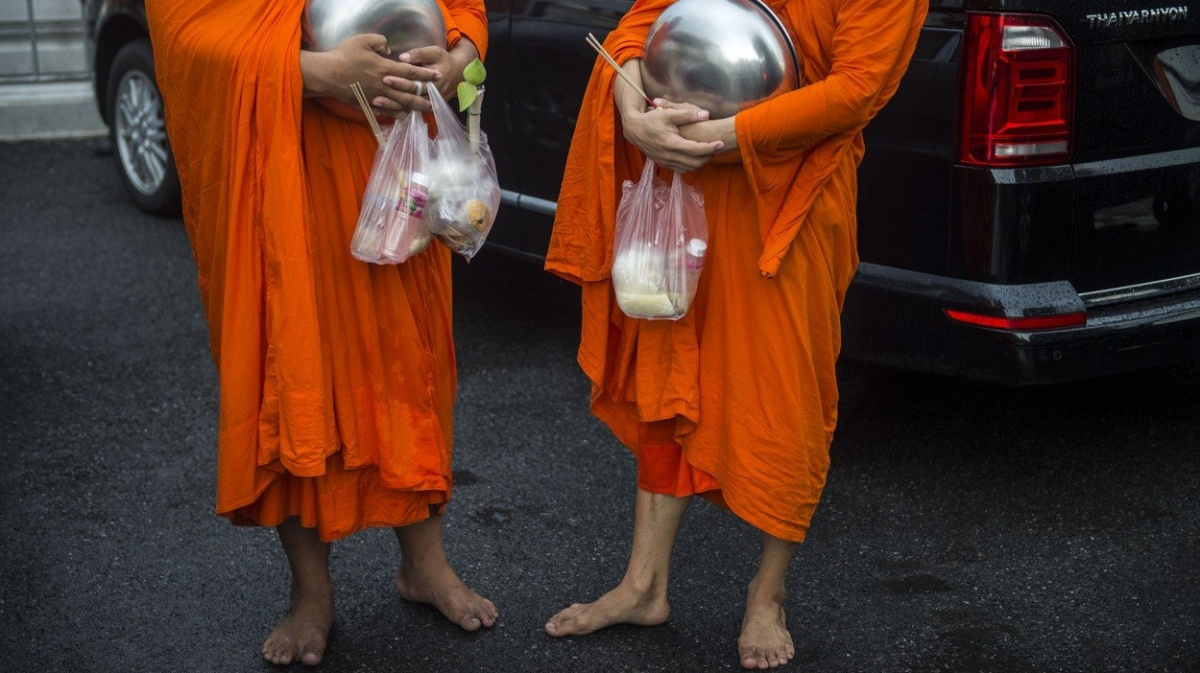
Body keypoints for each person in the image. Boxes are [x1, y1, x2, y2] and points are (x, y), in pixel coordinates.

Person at [543, 0, 928, 667]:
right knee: (669, 369)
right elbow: (643, 21)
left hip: (791, 195)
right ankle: (643, 584)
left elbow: (856, 89)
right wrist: (633, 107)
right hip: (690, 181)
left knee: (785, 392)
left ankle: (767, 595)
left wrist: (716, 137)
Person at [145, 0, 496, 666]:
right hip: (283, 170)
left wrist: (459, 55)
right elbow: (189, 35)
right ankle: (310, 590)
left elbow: (463, 6)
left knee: (407, 359)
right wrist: (314, 72)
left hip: (391, 162)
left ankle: (425, 565)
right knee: (296, 372)